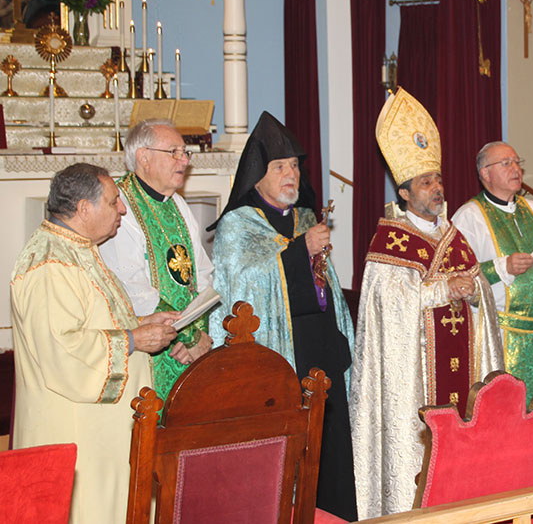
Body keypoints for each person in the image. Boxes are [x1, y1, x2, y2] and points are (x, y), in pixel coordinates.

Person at [351, 88, 504, 519]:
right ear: (404, 193)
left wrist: (474, 292)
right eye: (425, 182)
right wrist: (443, 290)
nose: (436, 188)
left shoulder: (454, 236)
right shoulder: (389, 243)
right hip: (414, 381)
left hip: (460, 368)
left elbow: (482, 293)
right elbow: (389, 308)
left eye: (437, 179)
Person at [208, 111, 356, 520]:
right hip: (279, 356)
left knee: (332, 454)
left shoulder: (304, 217)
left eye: (294, 166)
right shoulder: (239, 225)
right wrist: (297, 252)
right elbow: (242, 286)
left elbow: (326, 284)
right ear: (258, 175)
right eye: (280, 167)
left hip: (322, 351)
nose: (291, 174)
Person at [11, 163, 178, 524]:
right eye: (114, 201)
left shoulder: (77, 248)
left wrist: (143, 323)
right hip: (77, 432)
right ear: (84, 209)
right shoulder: (50, 265)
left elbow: (95, 320)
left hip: (102, 429)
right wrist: (133, 340)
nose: (122, 209)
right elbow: (63, 350)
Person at [452, 142, 533, 405]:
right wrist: (502, 267)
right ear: (485, 173)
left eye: (517, 162)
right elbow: (457, 276)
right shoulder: (469, 216)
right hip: (501, 333)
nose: (516, 169)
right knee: (504, 412)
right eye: (506, 163)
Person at [100, 120, 213, 403]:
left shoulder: (176, 204)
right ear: (143, 157)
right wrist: (186, 337)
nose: (184, 160)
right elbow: (131, 286)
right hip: (148, 348)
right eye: (174, 152)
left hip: (186, 345)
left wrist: (199, 335)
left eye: (186, 153)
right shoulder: (120, 205)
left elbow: (202, 275)